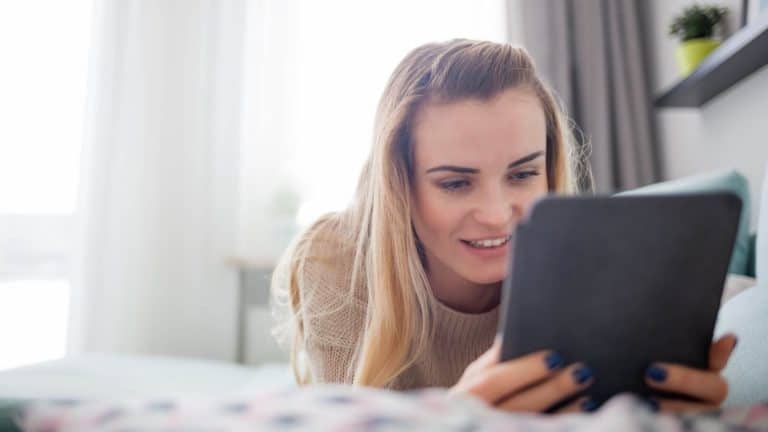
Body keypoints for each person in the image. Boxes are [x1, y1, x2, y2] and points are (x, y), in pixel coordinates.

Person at [270, 39, 736, 414]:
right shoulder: (334, 261)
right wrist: (456, 419)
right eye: (455, 183)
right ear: (400, 186)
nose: (496, 214)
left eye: (522, 174)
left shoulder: (603, 267)